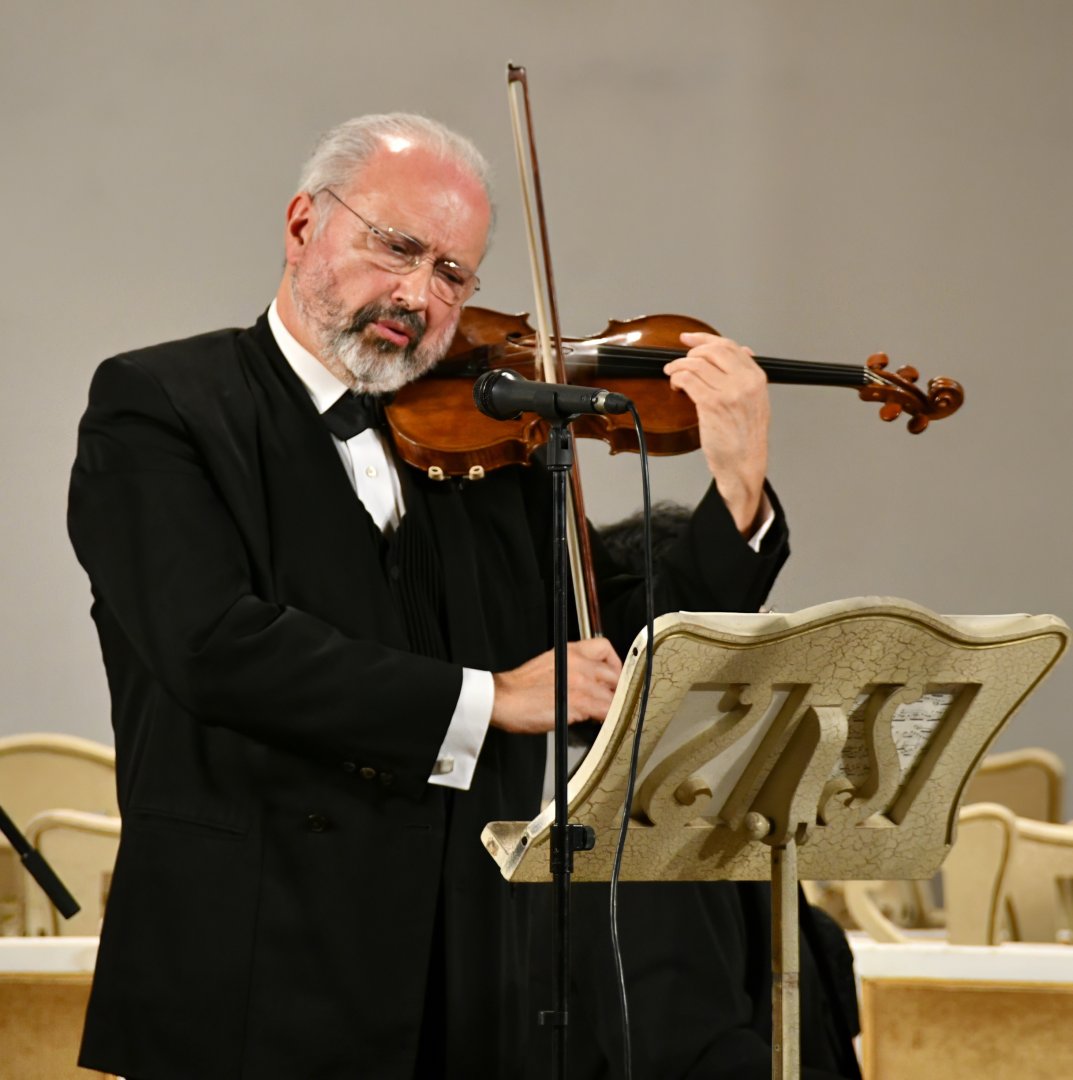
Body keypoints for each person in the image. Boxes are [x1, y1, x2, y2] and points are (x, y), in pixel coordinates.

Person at [68, 113, 790, 1080]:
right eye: (396, 246)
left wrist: (735, 493)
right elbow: (214, 645)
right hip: (249, 969)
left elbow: (606, 653)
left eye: (453, 273)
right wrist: (490, 698)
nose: (417, 294)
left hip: (463, 979)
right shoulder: (158, 405)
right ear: (301, 225)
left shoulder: (493, 441)